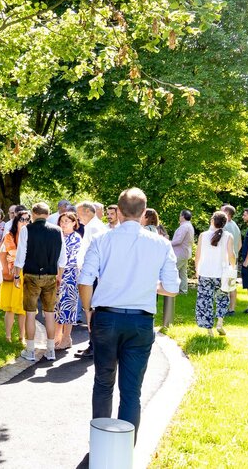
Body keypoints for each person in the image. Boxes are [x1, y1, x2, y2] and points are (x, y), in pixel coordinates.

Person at [78, 187, 179, 440]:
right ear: (144, 213)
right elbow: (172, 288)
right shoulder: (161, 244)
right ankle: (124, 448)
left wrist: (89, 311)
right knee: (132, 390)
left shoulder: (102, 240)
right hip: (140, 321)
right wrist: (147, 285)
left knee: (103, 382)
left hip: (106, 317)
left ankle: (100, 441)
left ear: (119, 212)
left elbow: (85, 280)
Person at [13, 202, 67, 361]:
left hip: (31, 275)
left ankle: (30, 350)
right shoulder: (57, 230)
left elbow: (20, 255)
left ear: (33, 214)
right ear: (48, 214)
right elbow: (62, 258)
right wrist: (59, 277)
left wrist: (17, 275)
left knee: (30, 313)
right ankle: (50, 350)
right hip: (51, 275)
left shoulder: (26, 230)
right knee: (50, 313)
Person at [75, 201, 108, 357]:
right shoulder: (94, 226)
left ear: (88, 211)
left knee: (91, 310)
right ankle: (92, 344)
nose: (77, 217)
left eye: (79, 213)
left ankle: (93, 346)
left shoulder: (94, 227)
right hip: (92, 274)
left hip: (92, 276)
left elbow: (92, 253)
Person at [194, 211, 235, 336]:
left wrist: (197, 269)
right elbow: (231, 255)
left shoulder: (203, 235)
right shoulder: (228, 236)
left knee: (205, 300)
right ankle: (220, 323)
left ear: (212, 221)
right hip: (222, 273)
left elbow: (198, 254)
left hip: (205, 272)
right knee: (222, 298)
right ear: (225, 222)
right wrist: (232, 268)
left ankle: (209, 330)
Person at [0, 210, 29, 344]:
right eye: (22, 219)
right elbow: (13, 252)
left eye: (27, 220)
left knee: (23, 308)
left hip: (26, 274)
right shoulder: (9, 235)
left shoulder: (31, 234)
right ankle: (8, 336)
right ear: (16, 221)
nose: (25, 222)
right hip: (11, 274)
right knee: (10, 308)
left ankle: (22, 336)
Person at [54, 211, 82, 350]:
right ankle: (57, 337)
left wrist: (61, 274)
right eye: (62, 221)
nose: (63, 224)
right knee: (56, 308)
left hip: (69, 276)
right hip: (56, 276)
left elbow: (72, 260)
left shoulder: (75, 238)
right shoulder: (57, 236)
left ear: (73, 223)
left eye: (67, 221)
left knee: (68, 308)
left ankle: (67, 338)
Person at [221, 205, 242, 314]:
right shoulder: (236, 226)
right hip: (234, 258)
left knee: (224, 284)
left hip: (225, 258)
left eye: (222, 210)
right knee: (231, 283)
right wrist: (234, 255)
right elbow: (239, 244)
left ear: (227, 214)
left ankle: (224, 308)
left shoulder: (224, 226)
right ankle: (232, 308)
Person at [171, 210, 195, 294]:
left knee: (173, 270)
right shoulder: (189, 226)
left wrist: (168, 243)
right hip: (185, 252)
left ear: (183, 216)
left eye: (180, 215)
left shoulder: (184, 227)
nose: (179, 217)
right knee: (183, 273)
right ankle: (183, 290)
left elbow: (178, 241)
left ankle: (172, 289)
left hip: (179, 253)